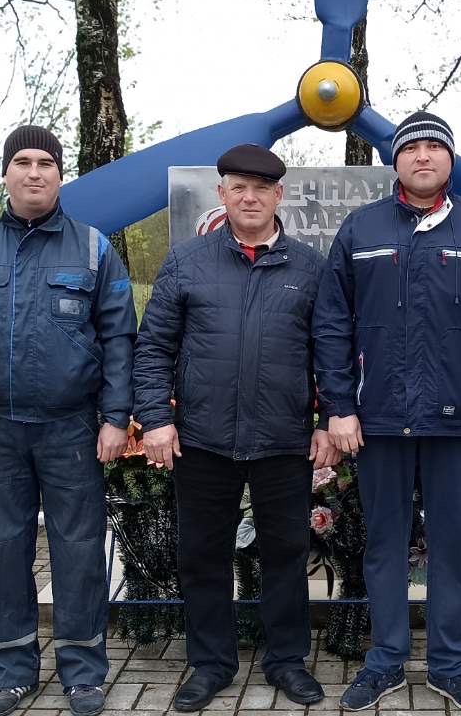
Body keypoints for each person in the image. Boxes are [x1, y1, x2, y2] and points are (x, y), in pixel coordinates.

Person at [314, 111, 461, 714]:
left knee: (448, 545)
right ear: (395, 160)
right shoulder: (360, 230)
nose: (422, 156)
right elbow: (332, 323)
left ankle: (448, 663)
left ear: (450, 160)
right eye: (410, 147)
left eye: (434, 147)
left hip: (456, 422)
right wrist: (338, 406)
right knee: (383, 545)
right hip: (378, 421)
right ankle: (384, 661)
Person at [0, 125, 136, 716]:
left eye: (46, 162)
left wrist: (115, 417)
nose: (34, 172)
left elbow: (119, 340)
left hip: (72, 427)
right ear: (7, 174)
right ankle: (12, 671)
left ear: (61, 176)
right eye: (23, 161)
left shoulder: (94, 248)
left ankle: (83, 672)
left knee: (79, 548)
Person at [134, 144, 339, 712]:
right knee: (201, 554)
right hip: (202, 439)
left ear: (279, 195)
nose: (250, 197)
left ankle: (287, 660)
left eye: (261, 188)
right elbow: (152, 348)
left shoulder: (308, 267)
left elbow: (330, 353)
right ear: (221, 196)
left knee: (286, 552)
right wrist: (156, 419)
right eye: (238, 188)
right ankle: (210, 663)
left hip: (283, 440)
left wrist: (326, 421)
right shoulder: (186, 262)